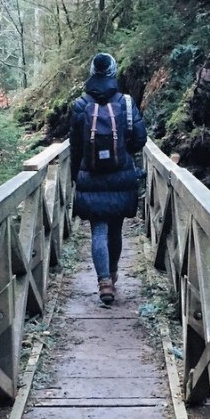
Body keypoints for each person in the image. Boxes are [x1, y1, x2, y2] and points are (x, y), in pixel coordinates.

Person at [70, 52, 148, 305]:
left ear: (92, 73)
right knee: (116, 229)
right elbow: (139, 140)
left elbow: (75, 148)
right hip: (121, 175)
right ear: (113, 72)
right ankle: (113, 277)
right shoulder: (125, 103)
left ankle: (103, 282)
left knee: (98, 230)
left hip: (90, 177)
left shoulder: (80, 105)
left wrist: (75, 177)